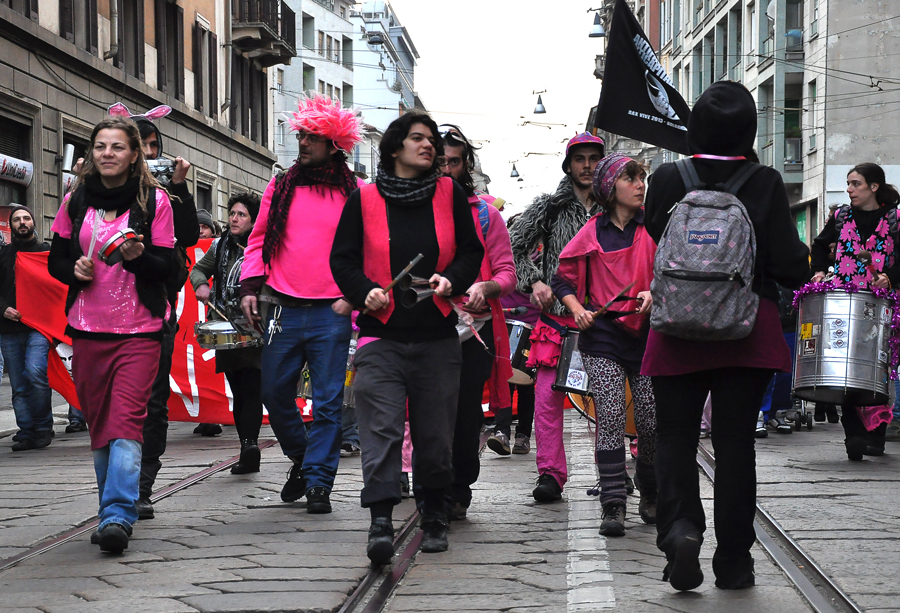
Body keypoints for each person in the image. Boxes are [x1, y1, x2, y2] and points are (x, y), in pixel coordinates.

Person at [642, 81, 809, 591]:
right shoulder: (765, 181)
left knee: (674, 437)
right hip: (745, 331)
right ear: (749, 129)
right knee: (736, 446)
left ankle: (680, 528)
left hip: (676, 328)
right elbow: (789, 266)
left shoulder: (668, 178)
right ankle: (734, 561)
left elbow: (656, 236)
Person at [330, 113, 484, 562]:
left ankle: (434, 515)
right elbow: (342, 260)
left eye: (431, 139)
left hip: (437, 337)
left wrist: (451, 280)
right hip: (381, 337)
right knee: (380, 430)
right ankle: (380, 520)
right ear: (394, 147)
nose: (428, 145)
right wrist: (364, 291)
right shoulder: (364, 198)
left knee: (436, 434)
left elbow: (471, 250)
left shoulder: (449, 193)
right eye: (418, 138)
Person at [48, 116, 175, 554]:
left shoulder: (154, 201)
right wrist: (74, 270)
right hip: (87, 330)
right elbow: (56, 261)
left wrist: (139, 257)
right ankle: (111, 509)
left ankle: (119, 513)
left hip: (140, 331)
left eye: (117, 146)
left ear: (134, 154)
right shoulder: (75, 200)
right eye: (100, 146)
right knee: (101, 424)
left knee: (125, 422)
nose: (107, 154)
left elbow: (169, 268)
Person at [239, 95, 363, 515]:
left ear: (334, 144)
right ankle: (305, 458)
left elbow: (367, 248)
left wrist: (355, 296)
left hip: (333, 310)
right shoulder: (281, 184)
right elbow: (258, 239)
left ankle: (319, 482)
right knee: (274, 393)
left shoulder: (355, 191)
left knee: (328, 403)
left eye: (313, 137)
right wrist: (249, 286)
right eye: (301, 135)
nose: (304, 142)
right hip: (283, 305)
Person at [552, 154, 657, 537]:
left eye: (641, 177)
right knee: (610, 416)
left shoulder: (654, 228)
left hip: (647, 337)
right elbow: (561, 280)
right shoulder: (591, 232)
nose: (640, 184)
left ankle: (650, 487)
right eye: (631, 178)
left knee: (650, 420)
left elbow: (670, 271)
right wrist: (577, 309)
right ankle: (613, 503)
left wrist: (654, 290)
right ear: (610, 188)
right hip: (603, 337)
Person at [507, 132, 606, 502]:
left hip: (604, 321)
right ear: (569, 165)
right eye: (580, 159)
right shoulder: (548, 208)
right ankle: (550, 474)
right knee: (548, 402)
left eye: (594, 158)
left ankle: (613, 473)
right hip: (557, 323)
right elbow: (512, 249)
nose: (587, 165)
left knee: (608, 402)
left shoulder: (617, 206)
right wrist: (533, 281)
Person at [436, 125, 516, 520]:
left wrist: (488, 285)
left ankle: (459, 487)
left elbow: (508, 273)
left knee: (466, 414)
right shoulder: (411, 210)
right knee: (429, 412)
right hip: (425, 330)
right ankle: (432, 484)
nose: (446, 169)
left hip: (474, 333)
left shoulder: (487, 214)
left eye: (454, 162)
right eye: (439, 161)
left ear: (466, 165)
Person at [130, 109, 201, 520]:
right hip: (105, 315)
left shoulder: (168, 194)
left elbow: (188, 236)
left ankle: (142, 484)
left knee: (154, 401)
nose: (149, 154)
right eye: (141, 146)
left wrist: (179, 186)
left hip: (156, 309)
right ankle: (118, 482)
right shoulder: (100, 190)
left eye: (154, 146)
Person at [810, 162, 900, 459]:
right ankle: (854, 434)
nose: (849, 189)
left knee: (879, 368)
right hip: (844, 302)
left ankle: (876, 434)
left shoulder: (895, 219)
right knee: (845, 368)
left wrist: (890, 277)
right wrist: (820, 271)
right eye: (848, 184)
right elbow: (819, 246)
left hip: (882, 305)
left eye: (856, 184)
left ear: (874, 187)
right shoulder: (840, 216)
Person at [190, 192, 263, 473]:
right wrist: (201, 285)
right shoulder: (219, 246)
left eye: (241, 215)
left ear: (253, 220)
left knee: (252, 386)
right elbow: (198, 270)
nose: (234, 219)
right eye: (232, 213)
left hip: (255, 326)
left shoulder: (262, 246)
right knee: (238, 389)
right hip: (226, 327)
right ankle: (247, 446)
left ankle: (250, 445)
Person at [0, 205, 53, 451]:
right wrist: (3, 309)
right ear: (11, 226)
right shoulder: (3, 255)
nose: (22, 222)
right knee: (19, 385)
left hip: (38, 327)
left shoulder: (46, 252)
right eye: (17, 219)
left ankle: (43, 427)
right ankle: (27, 431)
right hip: (9, 328)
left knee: (35, 372)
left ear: (33, 222)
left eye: (26, 218)